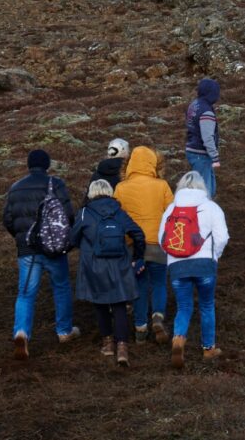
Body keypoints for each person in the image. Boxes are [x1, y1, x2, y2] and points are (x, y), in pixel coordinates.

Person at [2, 149, 79, 360]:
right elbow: (68, 215)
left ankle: (21, 332)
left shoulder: (15, 188)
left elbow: (8, 219)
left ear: (28, 165)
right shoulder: (56, 184)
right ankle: (64, 331)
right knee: (61, 287)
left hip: (27, 250)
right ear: (47, 165)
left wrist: (21, 238)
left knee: (25, 293)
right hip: (53, 248)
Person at [159, 171, 230, 368]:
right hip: (204, 265)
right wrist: (214, 256)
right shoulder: (211, 207)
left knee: (184, 307)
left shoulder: (171, 209)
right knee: (206, 306)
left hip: (177, 266)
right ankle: (208, 349)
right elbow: (222, 236)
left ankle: (178, 340)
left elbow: (162, 239)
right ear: (202, 186)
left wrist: (173, 258)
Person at [71, 179, 145, 366]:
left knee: (100, 303)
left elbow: (73, 238)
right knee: (119, 304)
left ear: (91, 192)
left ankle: (107, 343)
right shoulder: (118, 212)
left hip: (94, 264)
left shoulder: (85, 213)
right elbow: (138, 234)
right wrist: (138, 257)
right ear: (110, 191)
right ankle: (122, 347)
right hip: (119, 263)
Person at [114, 146, 174, 344]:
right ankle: (157, 316)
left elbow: (117, 216)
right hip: (158, 243)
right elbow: (172, 213)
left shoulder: (121, 188)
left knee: (139, 285)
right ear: (152, 163)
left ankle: (140, 328)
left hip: (133, 247)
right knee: (158, 283)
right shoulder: (162, 185)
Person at [185, 78, 220, 198]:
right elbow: (207, 137)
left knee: (205, 188)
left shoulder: (193, 105)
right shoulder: (207, 112)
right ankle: (204, 215)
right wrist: (215, 157)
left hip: (192, 150)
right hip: (202, 154)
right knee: (204, 192)